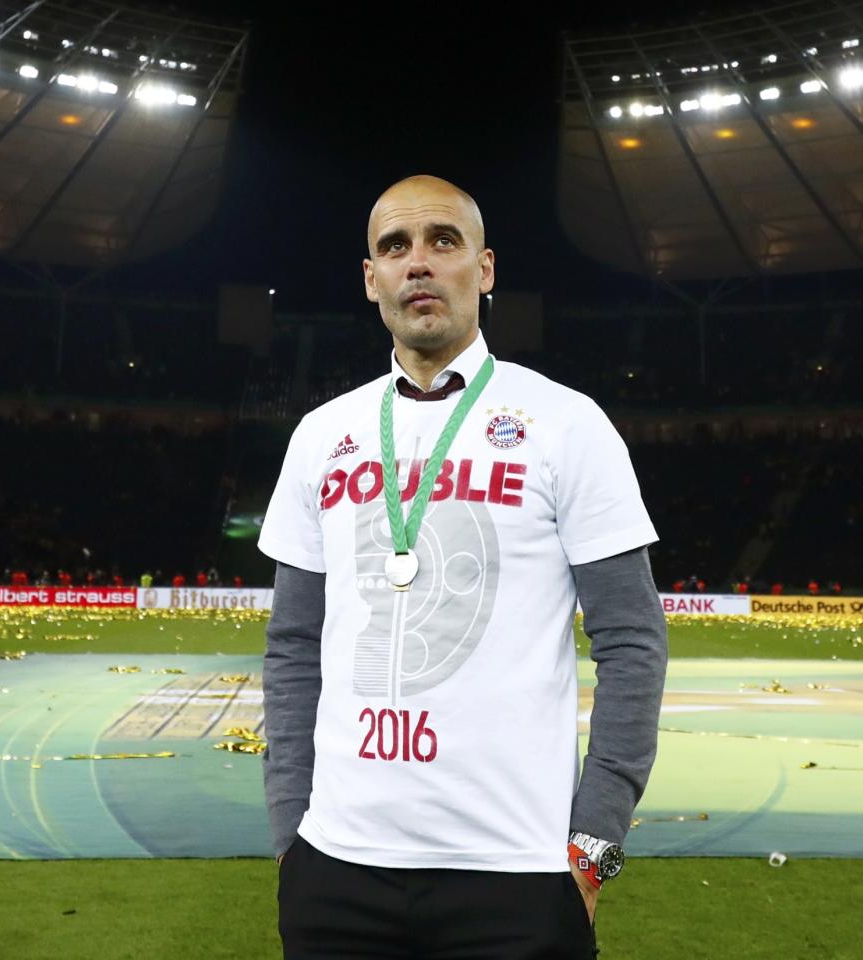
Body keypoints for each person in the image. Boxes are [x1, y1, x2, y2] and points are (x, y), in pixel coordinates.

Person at [258, 175, 666, 959]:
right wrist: (290, 839)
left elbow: (632, 642)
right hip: (337, 870)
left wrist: (593, 850)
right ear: (371, 278)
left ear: (483, 269)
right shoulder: (320, 435)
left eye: (442, 240)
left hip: (518, 873)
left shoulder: (566, 424)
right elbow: (292, 647)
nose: (418, 262)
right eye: (394, 246)